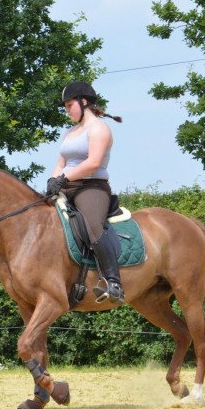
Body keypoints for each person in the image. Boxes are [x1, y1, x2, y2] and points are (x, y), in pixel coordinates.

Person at [46, 81, 125, 304]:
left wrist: (63, 179)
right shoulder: (70, 132)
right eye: (65, 106)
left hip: (91, 187)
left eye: (69, 105)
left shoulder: (99, 128)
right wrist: (53, 179)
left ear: (84, 102)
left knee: (93, 227)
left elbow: (93, 162)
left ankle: (114, 282)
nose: (67, 110)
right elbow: (61, 161)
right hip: (65, 186)